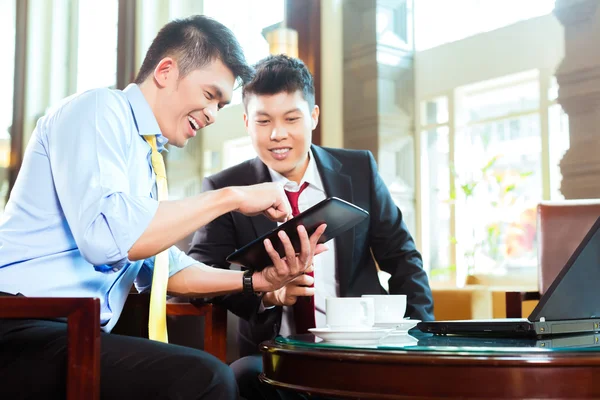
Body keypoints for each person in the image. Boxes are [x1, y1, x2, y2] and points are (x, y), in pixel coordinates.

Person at [0, 17, 327, 400]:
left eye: (220, 105)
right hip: (18, 326)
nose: (212, 114)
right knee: (206, 378)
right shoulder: (99, 109)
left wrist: (257, 282)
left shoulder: (147, 159)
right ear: (166, 71)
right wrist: (231, 198)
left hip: (74, 332)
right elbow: (107, 239)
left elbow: (162, 269)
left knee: (229, 378)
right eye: (209, 95)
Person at [188, 54, 434, 399]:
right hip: (276, 355)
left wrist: (420, 337)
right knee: (245, 377)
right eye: (263, 121)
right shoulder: (227, 188)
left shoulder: (359, 169)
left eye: (291, 118)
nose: (278, 135)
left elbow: (402, 256)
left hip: (362, 348)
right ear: (246, 122)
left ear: (313, 117)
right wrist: (267, 294)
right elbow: (200, 272)